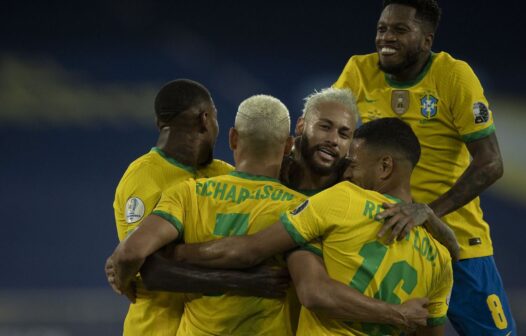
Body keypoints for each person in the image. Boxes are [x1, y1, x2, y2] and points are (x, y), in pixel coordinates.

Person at [108, 97, 431, 335]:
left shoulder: (349, 189)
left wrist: (425, 212)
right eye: (325, 127)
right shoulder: (290, 194)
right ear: (298, 132)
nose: (333, 139)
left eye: (345, 134)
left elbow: (399, 196)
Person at [172, 117, 458, 335]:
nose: (347, 172)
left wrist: (178, 254)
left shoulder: (343, 199)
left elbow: (255, 254)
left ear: (385, 167)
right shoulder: (440, 257)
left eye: (354, 164)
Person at [333, 1, 516, 334]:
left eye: (400, 30)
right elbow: (330, 134)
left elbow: (491, 163)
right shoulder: (358, 71)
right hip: (386, 239)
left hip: (459, 243)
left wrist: (428, 212)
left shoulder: (453, 76)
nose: (386, 38)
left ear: (427, 40)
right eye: (382, 29)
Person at [109, 79, 280, 335]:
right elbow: (150, 268)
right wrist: (242, 282)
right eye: (216, 119)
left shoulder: (223, 173)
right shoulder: (143, 177)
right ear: (204, 119)